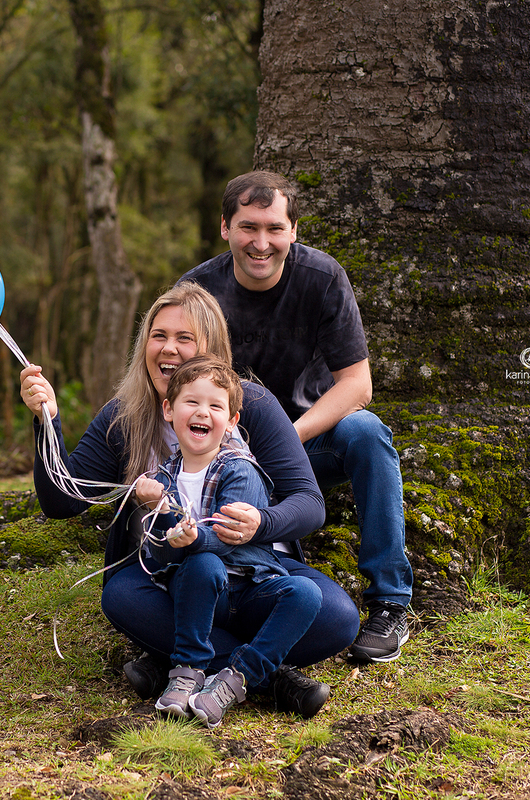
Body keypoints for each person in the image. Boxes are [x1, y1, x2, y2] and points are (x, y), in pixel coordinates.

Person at [20, 283, 359, 717]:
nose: (169, 349)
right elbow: (62, 501)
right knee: (122, 598)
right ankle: (267, 677)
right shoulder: (123, 416)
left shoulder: (249, 405)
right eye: (159, 335)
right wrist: (47, 422)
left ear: (211, 349)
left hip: (256, 572)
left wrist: (262, 523)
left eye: (185, 339)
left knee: (338, 618)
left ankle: (174, 661)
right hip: (168, 577)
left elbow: (310, 503)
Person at [180, 170, 414, 663]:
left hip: (306, 442)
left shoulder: (322, 278)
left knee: (367, 432)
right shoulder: (198, 291)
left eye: (274, 228)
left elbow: (358, 384)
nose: (261, 242)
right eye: (248, 227)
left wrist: (286, 436)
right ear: (225, 228)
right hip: (223, 454)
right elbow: (175, 385)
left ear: (293, 232)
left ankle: (391, 603)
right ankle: (194, 624)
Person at [137, 355, 327, 726]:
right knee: (201, 565)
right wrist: (157, 512)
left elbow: (227, 537)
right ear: (169, 410)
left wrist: (191, 537)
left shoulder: (240, 468)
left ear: (232, 421)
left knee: (307, 594)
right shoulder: (161, 477)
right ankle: (187, 669)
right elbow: (155, 556)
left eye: (215, 406)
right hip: (201, 591)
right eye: (191, 402)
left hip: (251, 584)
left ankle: (236, 678)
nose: (202, 412)